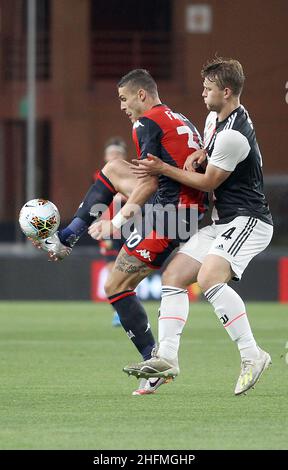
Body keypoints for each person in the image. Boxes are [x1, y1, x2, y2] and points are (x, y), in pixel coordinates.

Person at [33, 69, 207, 395]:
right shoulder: (176, 116)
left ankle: (154, 362)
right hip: (188, 207)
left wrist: (117, 220)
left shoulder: (145, 123)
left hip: (173, 215)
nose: (123, 107)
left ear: (142, 95)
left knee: (114, 285)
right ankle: (66, 237)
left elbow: (149, 182)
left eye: (124, 99)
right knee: (113, 169)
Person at [123, 58, 273, 396]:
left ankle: (253, 355)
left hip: (249, 219)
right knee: (174, 277)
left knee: (208, 278)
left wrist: (164, 168)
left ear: (227, 91)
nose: (203, 93)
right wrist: (200, 152)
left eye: (208, 89)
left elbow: (207, 183)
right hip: (224, 222)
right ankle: (167, 361)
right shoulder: (214, 119)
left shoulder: (235, 134)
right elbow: (209, 154)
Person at [93, 137, 128, 327]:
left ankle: (126, 307)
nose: (114, 157)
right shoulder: (99, 177)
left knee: (126, 268)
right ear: (106, 157)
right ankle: (118, 311)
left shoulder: (131, 174)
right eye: (111, 154)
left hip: (128, 227)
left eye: (118, 154)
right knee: (110, 269)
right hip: (108, 229)